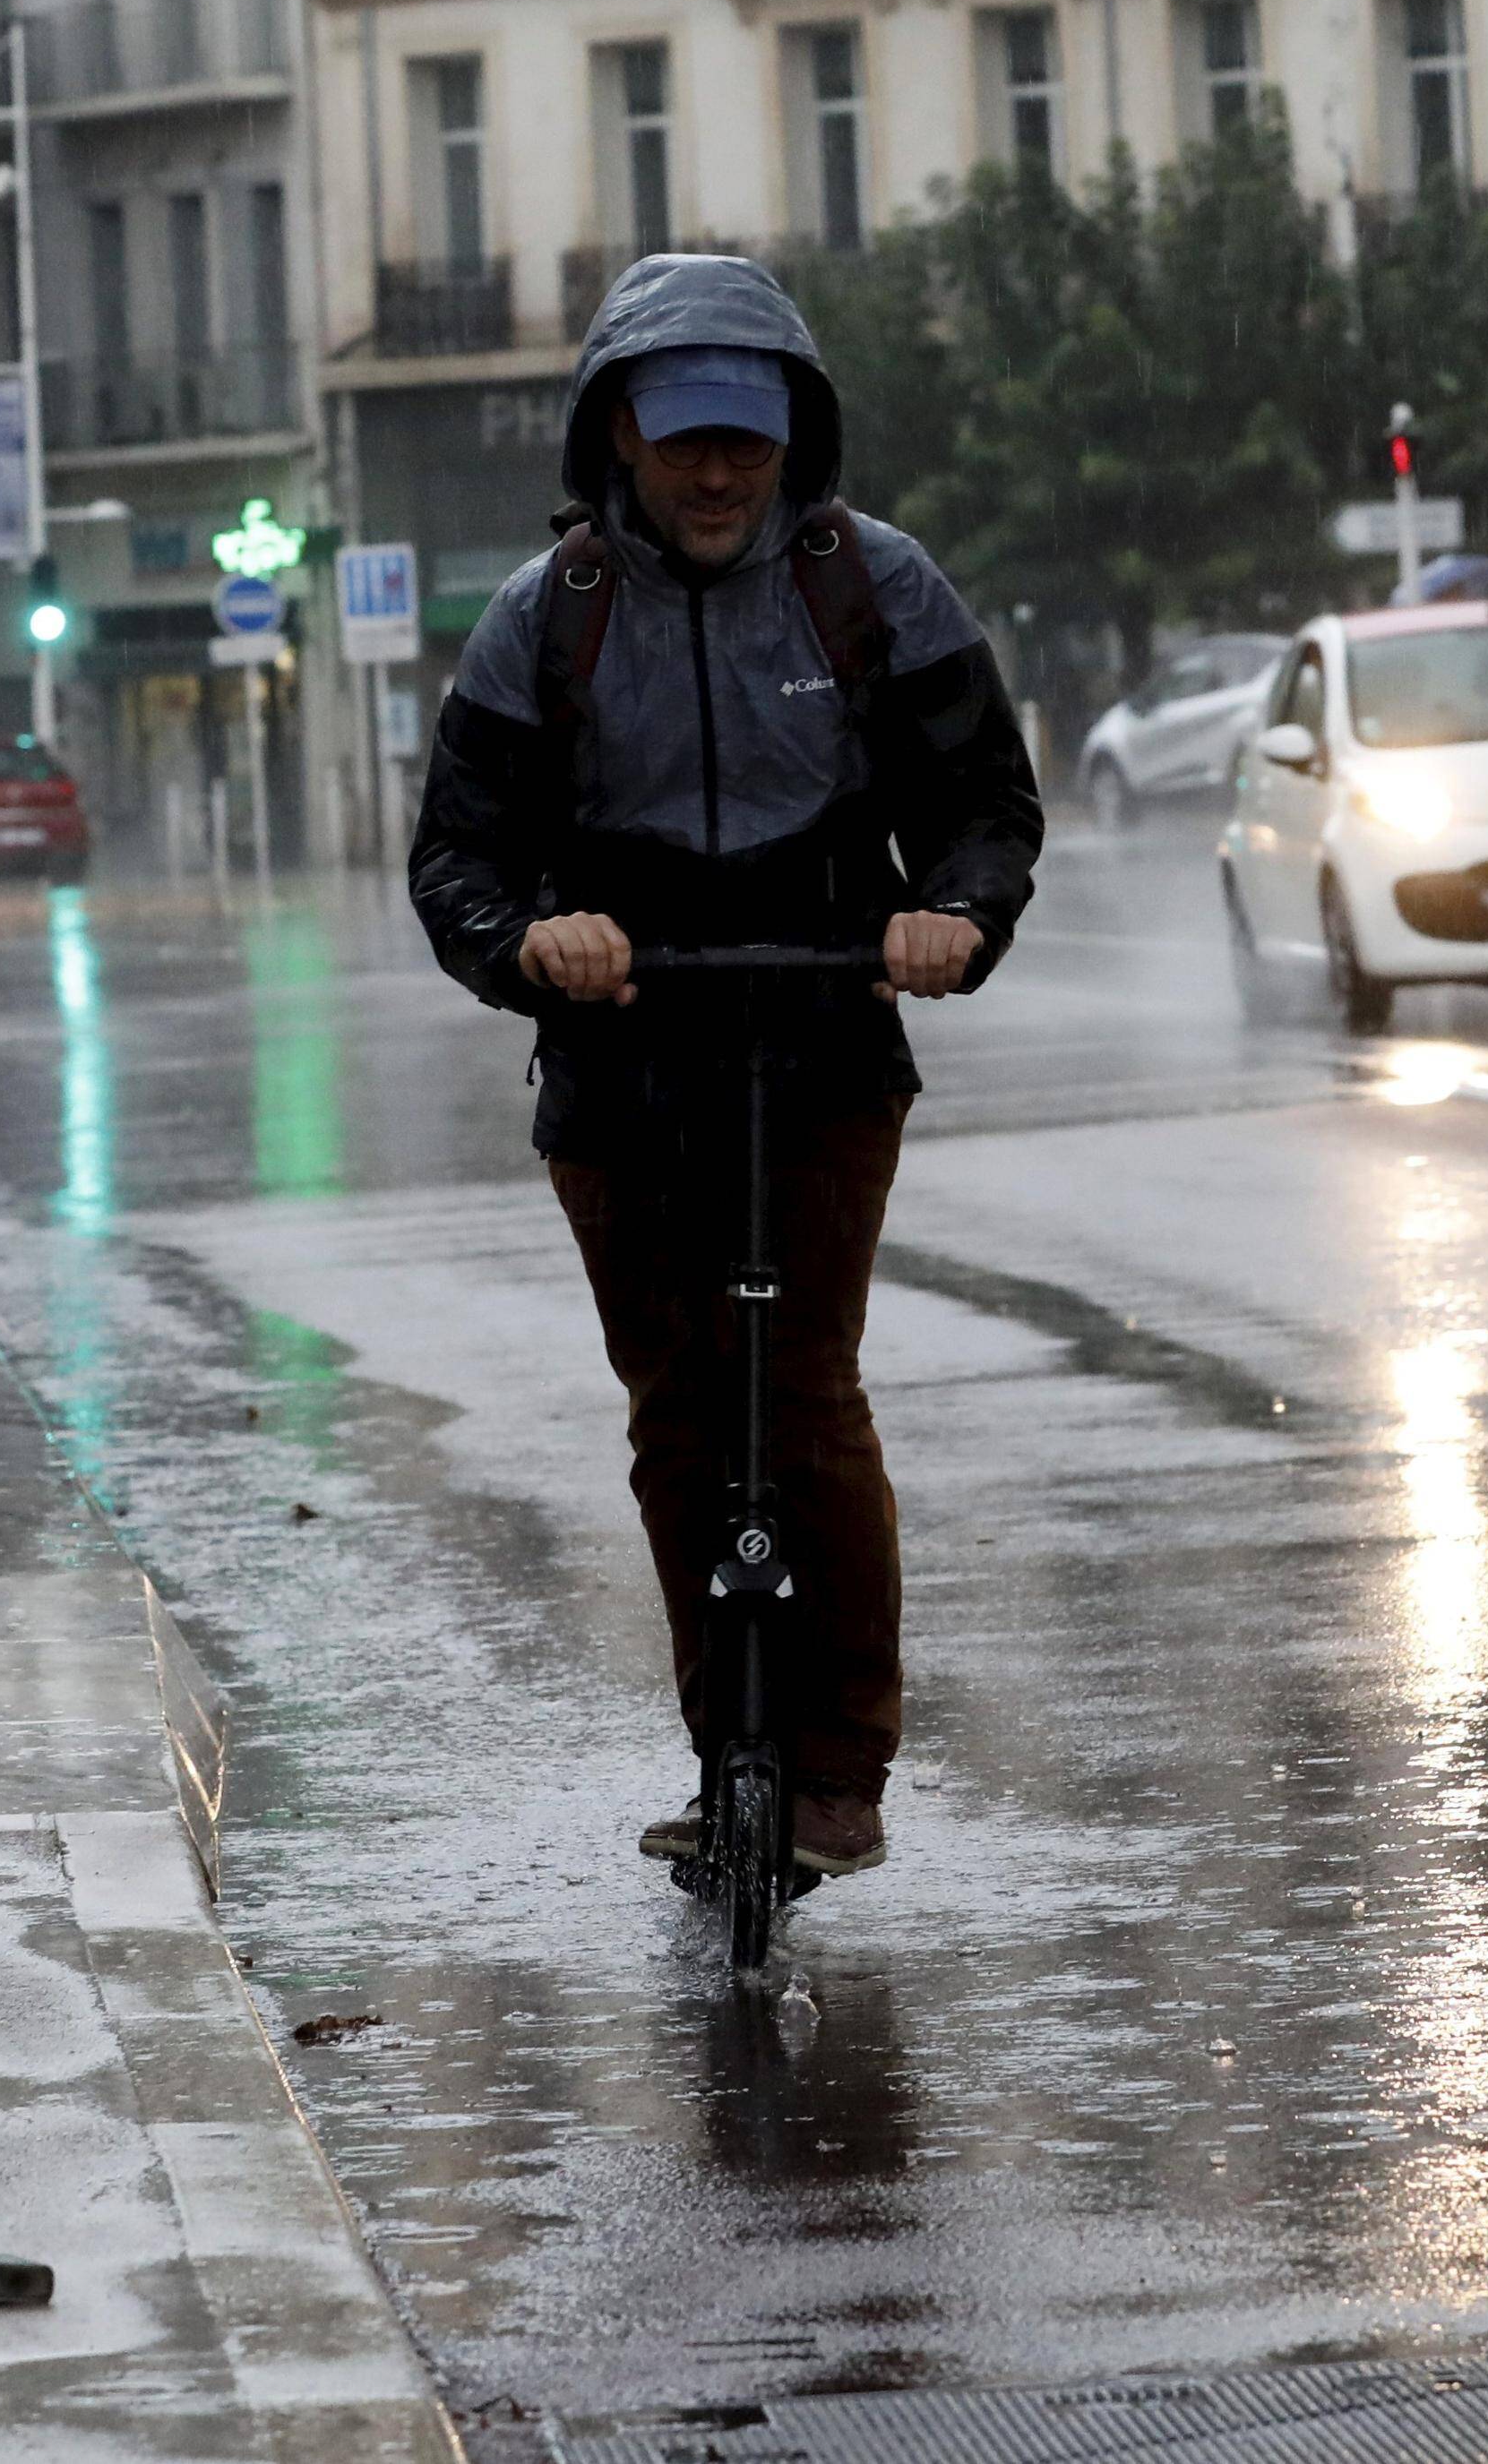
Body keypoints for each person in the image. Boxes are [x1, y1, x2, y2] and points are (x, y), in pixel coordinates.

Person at [407, 254, 1042, 1887]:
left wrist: (949, 915)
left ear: (792, 437)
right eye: (682, 438)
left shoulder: (875, 588)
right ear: (618, 431)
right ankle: (722, 1752)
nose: (712, 473)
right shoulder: (548, 616)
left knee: (808, 1393)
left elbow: (986, 804)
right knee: (681, 1417)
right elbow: (459, 856)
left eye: (743, 442)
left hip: (824, 1031)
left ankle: (837, 1765)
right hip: (621, 1059)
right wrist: (531, 941)